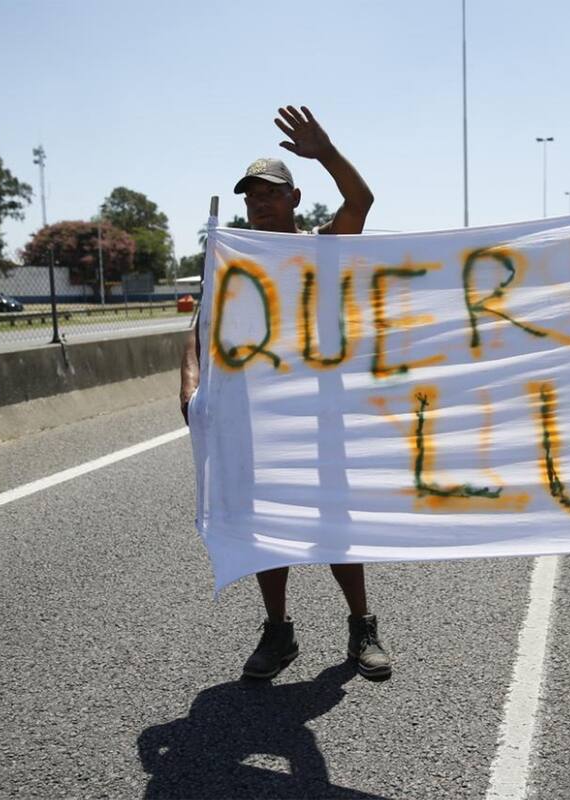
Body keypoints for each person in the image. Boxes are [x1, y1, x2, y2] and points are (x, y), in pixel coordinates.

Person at [179, 105, 390, 681]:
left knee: (334, 523)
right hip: (253, 418)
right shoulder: (231, 263)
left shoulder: (321, 247)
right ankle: (278, 635)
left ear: (295, 199)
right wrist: (192, 386)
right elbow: (199, 329)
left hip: (320, 412)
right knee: (262, 524)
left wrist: (325, 152)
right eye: (251, 196)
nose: (259, 203)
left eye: (270, 193)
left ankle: (361, 627)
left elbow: (360, 202)